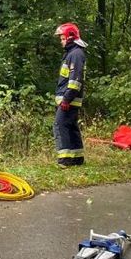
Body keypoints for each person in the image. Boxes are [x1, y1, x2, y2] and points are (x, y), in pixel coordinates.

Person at [53, 22, 88, 167]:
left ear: (70, 37)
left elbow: (75, 81)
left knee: (60, 125)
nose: (61, 41)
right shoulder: (72, 53)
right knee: (71, 126)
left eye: (62, 38)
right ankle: (77, 157)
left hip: (69, 99)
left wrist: (66, 99)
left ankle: (65, 159)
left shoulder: (75, 54)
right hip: (70, 99)